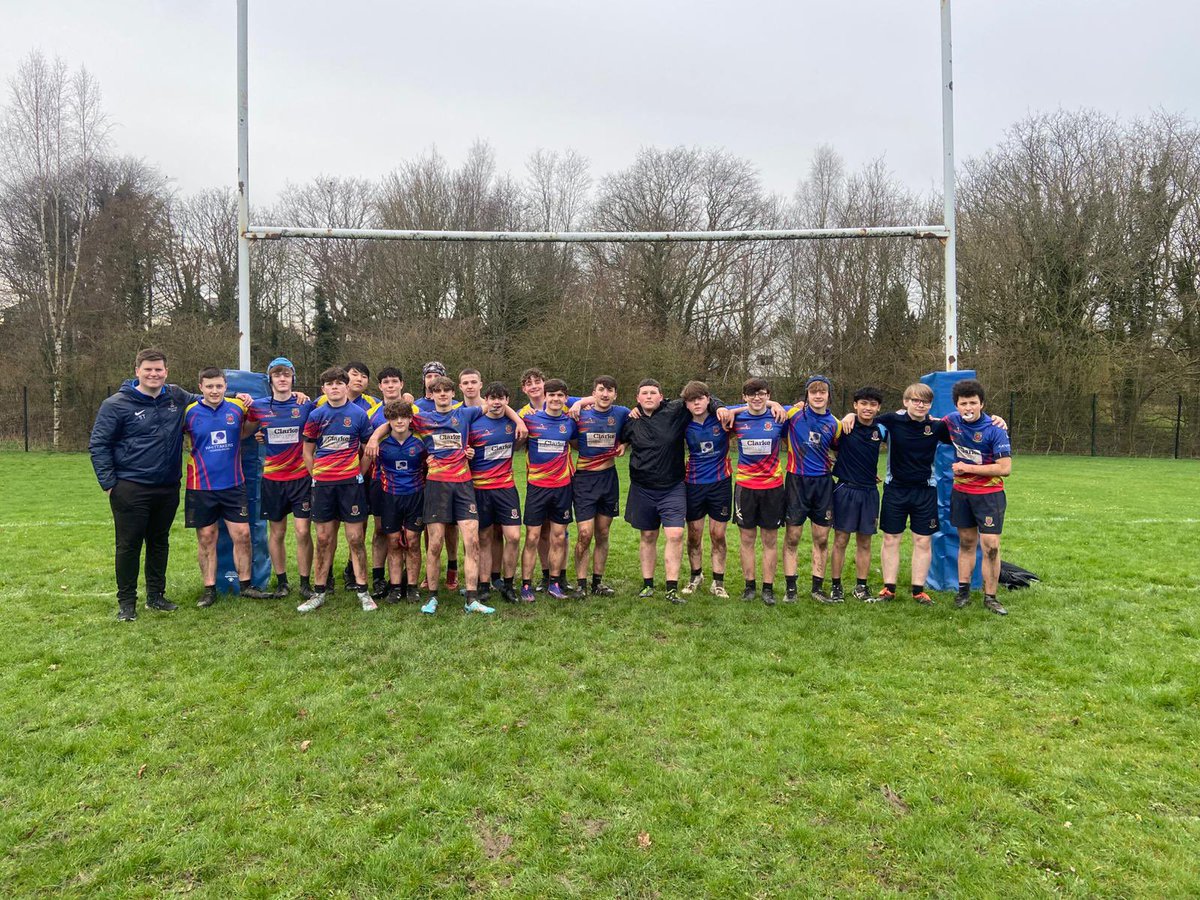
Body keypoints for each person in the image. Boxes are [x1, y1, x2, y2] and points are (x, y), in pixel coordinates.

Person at [375, 374, 524, 614]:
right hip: (436, 486)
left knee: (473, 542)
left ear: (453, 394)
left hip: (464, 486)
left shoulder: (465, 414)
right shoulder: (422, 418)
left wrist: (519, 422)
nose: (443, 394)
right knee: (434, 544)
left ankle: (472, 598)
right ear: (431, 394)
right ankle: (432, 596)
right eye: (437, 391)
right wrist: (374, 437)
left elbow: (498, 405)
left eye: (447, 390)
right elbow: (393, 420)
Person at [89, 349, 201, 620]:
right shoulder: (116, 404)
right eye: (148, 369)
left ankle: (156, 596)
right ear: (137, 370)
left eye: (159, 369)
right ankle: (127, 603)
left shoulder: (176, 396)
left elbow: (209, 400)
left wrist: (244, 399)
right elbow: (99, 444)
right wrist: (108, 483)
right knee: (128, 545)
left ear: (166, 372)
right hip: (130, 487)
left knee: (159, 541)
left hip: (167, 485)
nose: (154, 374)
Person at [619, 379, 723, 604]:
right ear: (637, 399)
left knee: (675, 535)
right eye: (644, 393)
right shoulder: (630, 421)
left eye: (653, 393)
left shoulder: (675, 410)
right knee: (648, 536)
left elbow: (703, 399)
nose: (648, 396)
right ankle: (647, 585)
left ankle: (671, 588)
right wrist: (622, 444)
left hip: (672, 487)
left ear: (661, 396)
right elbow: (619, 438)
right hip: (642, 488)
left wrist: (720, 407)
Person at [183, 368, 275, 608]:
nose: (214, 391)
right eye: (209, 386)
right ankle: (209, 589)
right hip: (201, 486)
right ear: (201, 387)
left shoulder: (237, 407)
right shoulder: (189, 412)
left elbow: (257, 420)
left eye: (219, 386)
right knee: (206, 537)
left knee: (243, 535)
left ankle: (246, 586)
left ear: (225, 387)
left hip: (234, 485)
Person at [299, 367, 378, 613]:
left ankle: (364, 591)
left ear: (346, 386)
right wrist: (317, 476)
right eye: (329, 384)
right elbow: (307, 451)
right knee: (323, 538)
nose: (334, 387)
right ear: (323, 389)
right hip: (323, 486)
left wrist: (359, 473)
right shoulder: (316, 415)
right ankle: (319, 592)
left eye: (338, 383)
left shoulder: (358, 415)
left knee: (355, 538)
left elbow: (368, 449)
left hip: (351, 486)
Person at [245, 357, 316, 600]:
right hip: (273, 479)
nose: (282, 378)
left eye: (286, 374)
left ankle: (306, 582)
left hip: (301, 478)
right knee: (277, 533)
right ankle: (282, 581)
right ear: (270, 379)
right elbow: (246, 430)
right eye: (277, 375)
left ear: (293, 377)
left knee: (303, 531)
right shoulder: (259, 406)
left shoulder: (306, 404)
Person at [941, 378, 1013, 615]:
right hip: (962, 494)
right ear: (956, 406)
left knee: (991, 546)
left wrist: (967, 468)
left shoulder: (995, 429)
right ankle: (963, 593)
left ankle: (991, 597)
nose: (968, 408)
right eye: (964, 403)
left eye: (973, 403)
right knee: (966, 542)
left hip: (989, 496)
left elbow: (1005, 468)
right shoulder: (951, 422)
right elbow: (921, 421)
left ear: (981, 403)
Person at [729, 378, 788, 605]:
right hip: (745, 487)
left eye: (761, 393)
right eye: (751, 394)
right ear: (744, 397)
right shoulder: (736, 418)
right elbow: (719, 409)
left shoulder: (779, 418)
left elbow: (802, 409)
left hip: (773, 487)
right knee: (747, 538)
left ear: (768, 395)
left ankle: (768, 588)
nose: (756, 398)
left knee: (770, 540)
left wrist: (777, 406)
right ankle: (749, 586)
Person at [520, 379, 580, 601]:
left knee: (558, 537)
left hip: (563, 487)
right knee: (533, 537)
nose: (555, 399)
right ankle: (526, 586)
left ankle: (555, 583)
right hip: (537, 488)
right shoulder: (529, 420)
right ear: (544, 397)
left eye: (560, 396)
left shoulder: (570, 422)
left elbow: (577, 445)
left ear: (566, 399)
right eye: (551, 395)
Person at [570, 376, 630, 598]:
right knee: (585, 534)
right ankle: (580, 584)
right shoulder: (580, 413)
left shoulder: (622, 413)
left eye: (610, 390)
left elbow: (636, 427)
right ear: (593, 392)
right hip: (585, 480)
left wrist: (624, 443)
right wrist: (578, 403)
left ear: (615, 394)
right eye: (601, 390)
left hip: (609, 479)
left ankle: (597, 583)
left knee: (603, 533)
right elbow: (572, 439)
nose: (605, 394)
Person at [782, 375, 840, 604]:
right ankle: (791, 589)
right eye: (813, 392)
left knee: (822, 537)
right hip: (797, 481)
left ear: (828, 395)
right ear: (807, 394)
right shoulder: (793, 414)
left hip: (823, 484)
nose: (818, 396)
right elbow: (766, 407)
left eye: (822, 392)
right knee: (793, 537)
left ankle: (817, 588)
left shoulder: (836, 424)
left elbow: (840, 452)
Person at [467, 382, 523, 604]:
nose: (497, 402)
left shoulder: (515, 422)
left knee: (514, 537)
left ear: (507, 401)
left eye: (501, 398)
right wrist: (467, 452)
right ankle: (483, 585)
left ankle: (508, 585)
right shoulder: (474, 423)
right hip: (480, 489)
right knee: (485, 537)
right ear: (486, 400)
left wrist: (518, 421)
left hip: (506, 488)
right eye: (492, 398)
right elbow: (462, 449)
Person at [829, 387, 887, 602]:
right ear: (855, 405)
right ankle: (836, 586)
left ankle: (861, 587)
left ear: (878, 408)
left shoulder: (881, 430)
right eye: (863, 403)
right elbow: (826, 445)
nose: (867, 408)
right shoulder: (844, 427)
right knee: (841, 539)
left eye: (872, 404)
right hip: (846, 489)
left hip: (870, 492)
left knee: (865, 542)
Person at [373, 399, 427, 605]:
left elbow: (427, 469)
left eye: (404, 417)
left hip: (415, 497)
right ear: (388, 420)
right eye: (394, 417)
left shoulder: (420, 445)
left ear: (411, 419)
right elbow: (376, 472)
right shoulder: (381, 447)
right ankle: (395, 588)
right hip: (390, 498)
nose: (399, 421)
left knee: (413, 541)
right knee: (394, 542)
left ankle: (412, 587)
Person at [681, 381, 732, 598]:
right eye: (692, 401)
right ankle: (696, 576)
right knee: (694, 535)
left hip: (720, 483)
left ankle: (718, 582)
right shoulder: (682, 423)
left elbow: (750, 407)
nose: (696, 403)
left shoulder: (723, 419)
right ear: (686, 404)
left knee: (717, 534)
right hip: (693, 484)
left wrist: (774, 403)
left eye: (700, 399)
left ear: (708, 399)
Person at [415, 361, 461, 591]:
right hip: (424, 472)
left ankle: (452, 569)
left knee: (452, 525)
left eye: (437, 375)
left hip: (453, 472)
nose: (432, 379)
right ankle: (428, 572)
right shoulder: (415, 406)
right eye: (429, 375)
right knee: (430, 526)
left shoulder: (457, 407)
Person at [363, 366, 408, 598]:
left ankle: (404, 579)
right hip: (380, 481)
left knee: (408, 532)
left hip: (411, 482)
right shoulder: (370, 413)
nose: (390, 386)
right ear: (380, 386)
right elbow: (362, 446)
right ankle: (379, 578)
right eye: (386, 382)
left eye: (394, 381)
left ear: (401, 384)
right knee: (381, 529)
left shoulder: (414, 410)